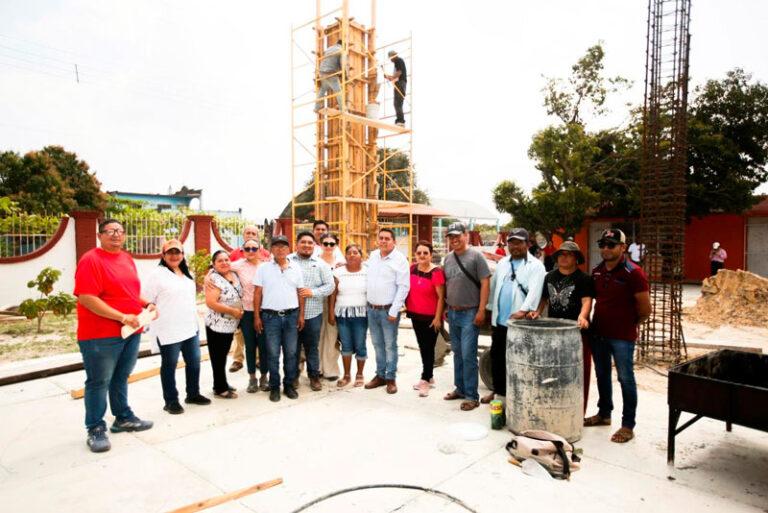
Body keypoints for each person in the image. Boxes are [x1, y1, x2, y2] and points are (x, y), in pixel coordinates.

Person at [74, 219, 155, 453]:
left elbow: (130, 293)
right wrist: (121, 316)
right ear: (100, 236)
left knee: (121, 377)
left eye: (120, 231)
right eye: (110, 231)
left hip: (131, 330)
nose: (116, 235)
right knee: (99, 381)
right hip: (100, 335)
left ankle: (123, 417)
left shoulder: (126, 258)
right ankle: (96, 428)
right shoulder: (91, 260)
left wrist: (147, 305)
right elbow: (87, 297)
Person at [585, 229, 651, 444]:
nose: (605, 248)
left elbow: (645, 309)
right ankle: (604, 414)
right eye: (602, 244)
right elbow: (591, 300)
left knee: (625, 378)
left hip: (622, 337)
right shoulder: (596, 271)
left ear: (623, 247)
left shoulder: (634, 273)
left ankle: (627, 425)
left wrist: (629, 325)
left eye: (611, 245)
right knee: (602, 375)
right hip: (599, 334)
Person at [143, 239, 210, 415]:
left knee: (194, 363)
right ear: (163, 255)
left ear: (182, 255)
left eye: (177, 252)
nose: (174, 256)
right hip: (168, 329)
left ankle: (193, 394)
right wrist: (148, 309)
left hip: (189, 327)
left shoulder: (185, 273)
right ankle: (171, 401)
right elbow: (146, 299)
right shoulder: (157, 274)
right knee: (169, 365)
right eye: (170, 252)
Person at [530, 240, 593, 411]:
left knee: (580, 372)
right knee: (554, 371)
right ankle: (556, 407)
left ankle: (579, 411)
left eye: (569, 254)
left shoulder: (584, 279)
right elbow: (544, 298)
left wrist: (583, 316)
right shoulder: (549, 276)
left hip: (577, 332)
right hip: (554, 332)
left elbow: (587, 300)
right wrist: (537, 311)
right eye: (561, 254)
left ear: (576, 258)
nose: (564, 257)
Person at [484, 228, 545, 404]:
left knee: (520, 360)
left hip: (520, 323)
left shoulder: (536, 266)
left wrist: (524, 310)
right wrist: (490, 309)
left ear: (527, 244)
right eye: (512, 242)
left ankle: (518, 396)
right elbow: (495, 286)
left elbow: (535, 291)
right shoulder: (503, 262)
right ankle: (498, 392)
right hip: (500, 321)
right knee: (497, 358)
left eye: (519, 242)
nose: (515, 246)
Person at [442, 222, 491, 411]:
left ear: (466, 236)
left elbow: (485, 283)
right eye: (451, 237)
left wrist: (481, 310)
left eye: (457, 236)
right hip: (453, 312)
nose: (454, 240)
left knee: (469, 355)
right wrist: (447, 307)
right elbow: (448, 284)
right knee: (457, 353)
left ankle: (472, 395)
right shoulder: (448, 259)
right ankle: (460, 388)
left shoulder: (476, 257)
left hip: (470, 312)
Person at [253, 235, 306, 402]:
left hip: (291, 316)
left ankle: (288, 384)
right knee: (273, 354)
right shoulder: (263, 268)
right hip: (270, 318)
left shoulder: (296, 268)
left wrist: (302, 315)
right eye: (276, 246)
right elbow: (257, 293)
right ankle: (274, 387)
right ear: (271, 249)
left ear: (289, 249)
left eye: (284, 246)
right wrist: (256, 316)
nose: (280, 249)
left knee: (291, 353)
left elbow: (301, 293)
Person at [364, 228, 410, 394]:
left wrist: (394, 310)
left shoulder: (400, 260)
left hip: (388, 311)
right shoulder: (374, 256)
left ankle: (390, 378)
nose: (383, 241)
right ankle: (380, 375)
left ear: (394, 241)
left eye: (387, 239)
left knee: (390, 345)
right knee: (377, 344)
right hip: (372, 309)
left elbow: (403, 286)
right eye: (381, 238)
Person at [290, 231, 335, 391]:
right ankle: (292, 376)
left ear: (314, 246)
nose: (307, 245)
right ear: (297, 244)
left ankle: (314, 377)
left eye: (310, 243)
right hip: (290, 313)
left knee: (311, 347)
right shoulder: (287, 261)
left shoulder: (321, 264)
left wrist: (313, 292)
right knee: (292, 347)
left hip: (313, 313)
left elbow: (330, 286)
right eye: (303, 242)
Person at [405, 241, 446, 398]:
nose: (422, 255)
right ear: (415, 254)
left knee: (428, 348)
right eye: (419, 253)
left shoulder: (436, 272)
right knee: (423, 347)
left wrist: (437, 317)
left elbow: (441, 297)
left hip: (431, 317)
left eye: (425, 253)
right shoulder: (412, 269)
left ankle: (425, 379)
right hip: (415, 315)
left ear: (431, 254)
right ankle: (429, 377)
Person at [226, 225, 269, 373]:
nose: (251, 251)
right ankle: (248, 372)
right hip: (245, 310)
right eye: (248, 249)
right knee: (248, 343)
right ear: (243, 250)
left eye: (254, 249)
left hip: (265, 310)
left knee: (264, 344)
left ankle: (264, 374)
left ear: (259, 250)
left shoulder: (267, 265)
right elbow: (220, 267)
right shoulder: (238, 263)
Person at [204, 250, 243, 399]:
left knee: (223, 355)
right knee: (218, 357)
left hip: (230, 324)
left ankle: (222, 383)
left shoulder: (234, 274)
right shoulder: (213, 278)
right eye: (220, 260)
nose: (225, 263)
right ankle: (220, 388)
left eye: (227, 259)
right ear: (214, 264)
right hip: (216, 324)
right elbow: (211, 302)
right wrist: (232, 311)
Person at [328, 243, 368, 387]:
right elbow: (333, 294)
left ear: (361, 256)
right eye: (349, 252)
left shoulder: (367, 271)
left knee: (360, 344)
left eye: (355, 252)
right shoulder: (338, 272)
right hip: (342, 315)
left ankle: (360, 374)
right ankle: (346, 375)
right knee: (346, 345)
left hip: (361, 315)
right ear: (345, 256)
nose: (352, 255)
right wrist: (331, 313)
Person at [317, 233, 344, 380]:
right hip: (317, 302)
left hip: (335, 302)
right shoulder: (315, 261)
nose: (328, 246)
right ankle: (317, 367)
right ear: (320, 244)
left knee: (332, 336)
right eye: (325, 243)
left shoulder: (340, 263)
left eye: (331, 244)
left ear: (336, 245)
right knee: (318, 335)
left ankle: (330, 369)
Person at [314, 39, 346, 112]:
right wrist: (345, 75)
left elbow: (328, 60)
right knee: (338, 91)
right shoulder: (341, 50)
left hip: (321, 72)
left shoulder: (328, 49)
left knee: (322, 90)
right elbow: (343, 64)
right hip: (330, 73)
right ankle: (342, 109)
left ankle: (316, 108)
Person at [384, 50, 407, 126]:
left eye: (390, 58)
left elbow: (399, 72)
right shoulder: (398, 62)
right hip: (400, 83)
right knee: (397, 103)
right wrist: (388, 77)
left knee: (397, 103)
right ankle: (400, 120)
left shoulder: (398, 60)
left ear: (392, 56)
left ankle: (400, 120)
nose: (390, 60)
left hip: (400, 84)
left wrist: (391, 77)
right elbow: (397, 75)